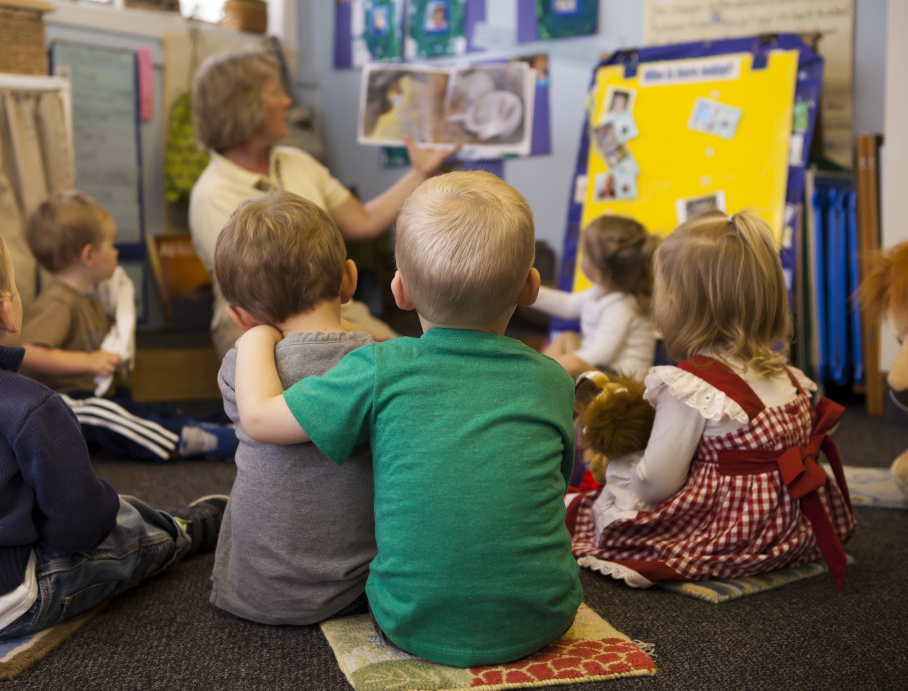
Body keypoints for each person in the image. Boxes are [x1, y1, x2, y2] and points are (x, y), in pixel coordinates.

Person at [230, 171, 582, 667]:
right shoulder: (553, 380)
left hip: (409, 623)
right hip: (545, 618)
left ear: (400, 290)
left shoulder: (379, 368)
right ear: (530, 287)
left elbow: (260, 419)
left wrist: (255, 339)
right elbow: (556, 479)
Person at [0, 208, 225, 645]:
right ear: (7, 313)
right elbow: (79, 526)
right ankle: (186, 530)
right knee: (126, 523)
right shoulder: (30, 404)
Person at [569, 211, 857, 589]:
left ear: (681, 305)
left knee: (581, 511)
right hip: (788, 531)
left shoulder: (690, 386)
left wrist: (622, 461)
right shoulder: (788, 376)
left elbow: (654, 485)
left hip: (728, 535)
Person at [189, 49, 459, 359]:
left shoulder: (297, 162)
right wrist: (364, 340)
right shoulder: (212, 193)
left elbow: (364, 221)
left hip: (336, 310)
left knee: (412, 367)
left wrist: (420, 173)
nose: (287, 102)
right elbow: (264, 298)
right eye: (276, 92)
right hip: (259, 326)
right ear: (244, 106)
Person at [209, 190, 375, 625]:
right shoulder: (378, 367)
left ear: (239, 317)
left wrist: (255, 338)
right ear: (348, 279)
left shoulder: (237, 369)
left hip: (251, 592)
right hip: (353, 595)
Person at [20, 191, 237, 462]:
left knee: (142, 410)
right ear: (88, 256)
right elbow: (29, 351)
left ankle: (210, 424)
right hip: (66, 404)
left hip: (97, 396)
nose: (116, 253)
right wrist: (88, 362)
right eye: (111, 246)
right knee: (117, 419)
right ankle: (196, 441)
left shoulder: (91, 296)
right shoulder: (58, 300)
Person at [532, 215, 659, 380]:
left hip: (624, 385)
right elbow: (566, 304)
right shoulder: (601, 291)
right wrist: (528, 289)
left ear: (598, 274)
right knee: (566, 338)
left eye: (584, 254)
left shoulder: (622, 307)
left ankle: (536, 379)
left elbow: (601, 354)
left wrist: (562, 364)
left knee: (572, 363)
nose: (581, 259)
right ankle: (535, 378)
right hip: (603, 370)